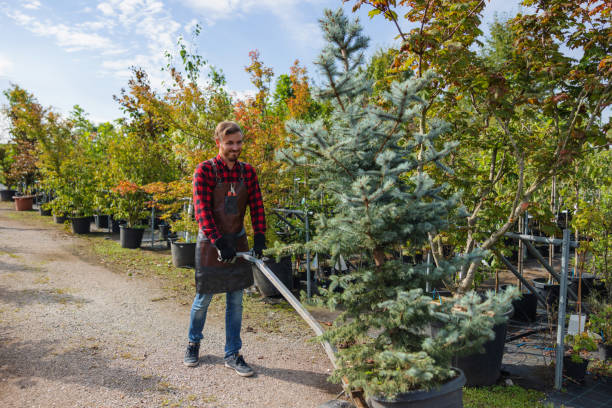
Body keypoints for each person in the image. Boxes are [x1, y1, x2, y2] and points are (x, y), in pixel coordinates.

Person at [184, 120, 266, 376]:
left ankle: (232, 353)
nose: (235, 147)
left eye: (239, 142)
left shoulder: (247, 172)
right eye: (230, 143)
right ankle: (193, 342)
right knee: (203, 299)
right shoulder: (205, 171)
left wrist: (260, 235)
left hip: (238, 239)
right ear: (218, 143)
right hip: (211, 242)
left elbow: (257, 205)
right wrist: (219, 242)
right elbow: (202, 211)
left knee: (236, 301)